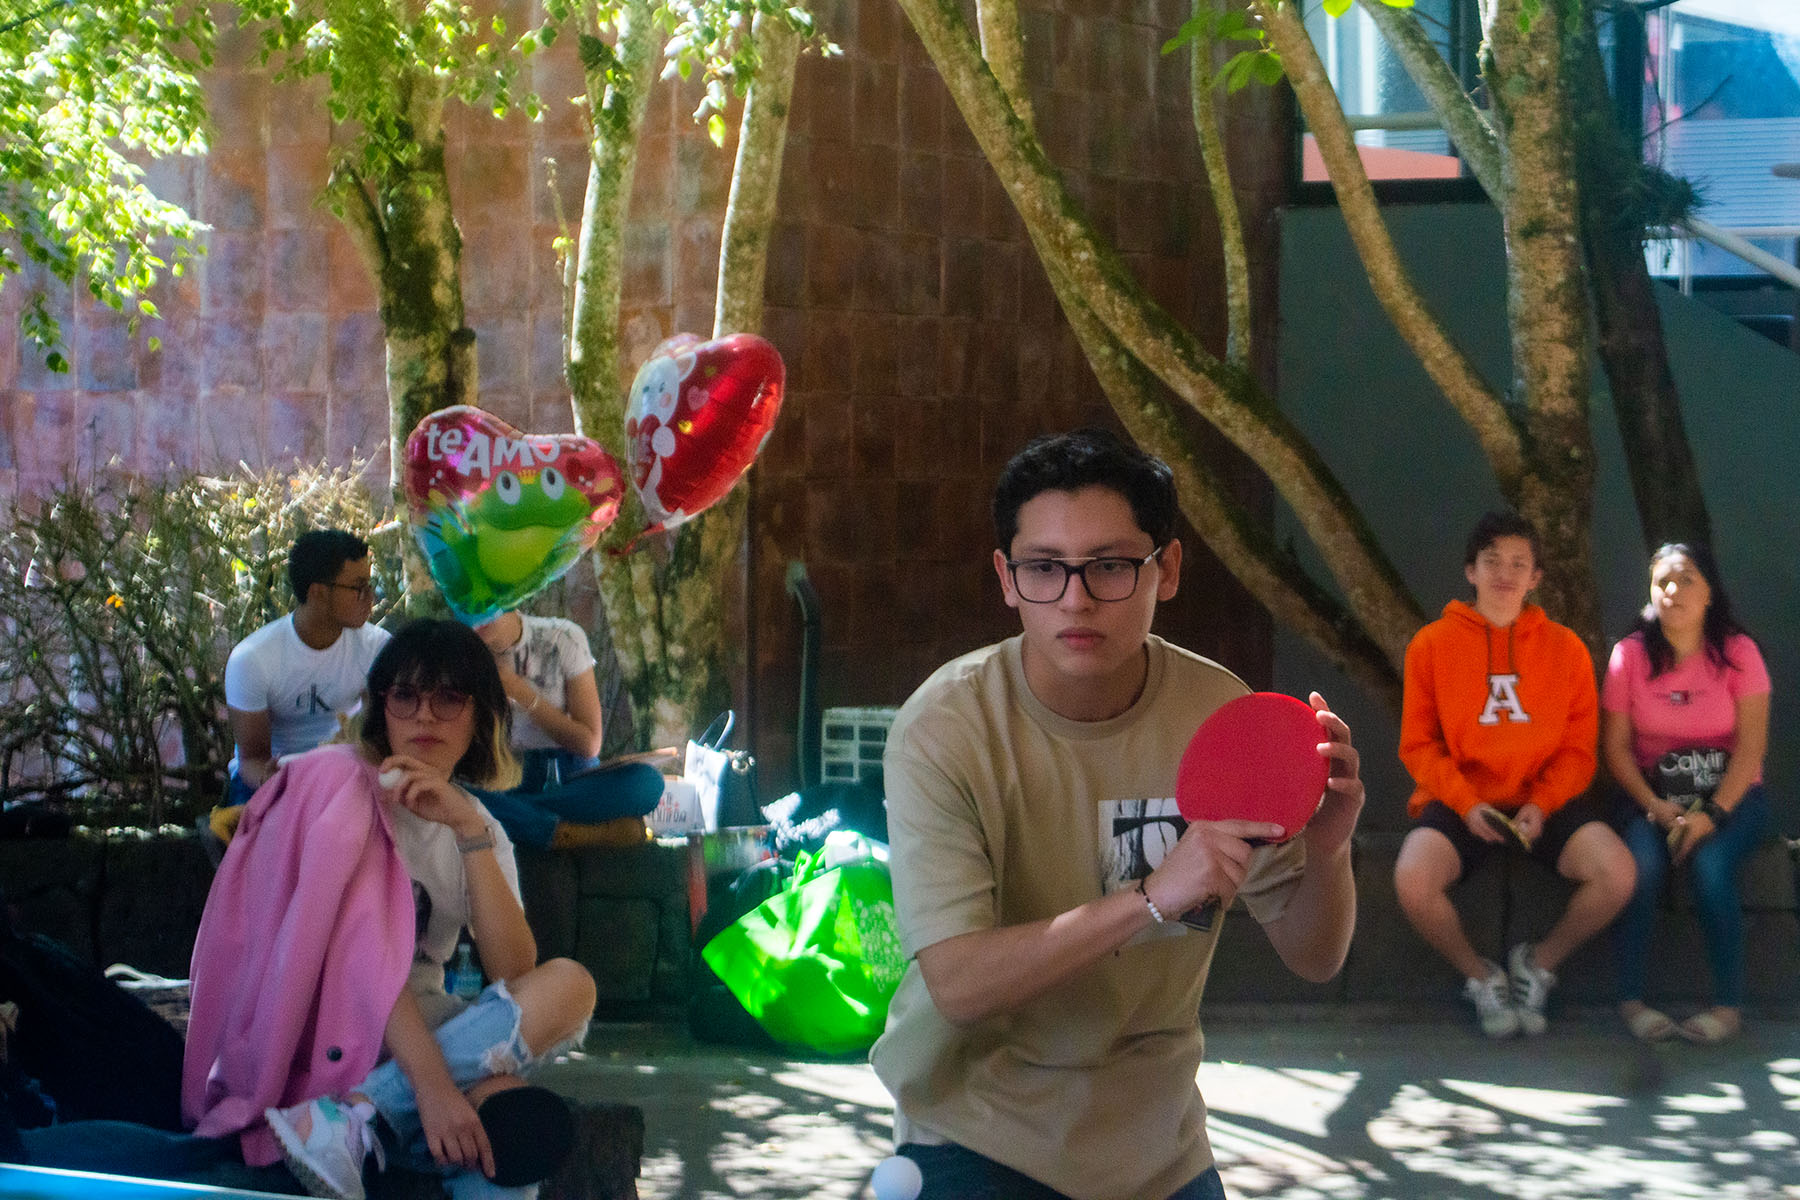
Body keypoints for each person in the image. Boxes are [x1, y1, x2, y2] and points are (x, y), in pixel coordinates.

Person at [869, 429, 1365, 1200]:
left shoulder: (1220, 714)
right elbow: (959, 986)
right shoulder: (944, 728)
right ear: (1006, 577)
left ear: (1164, 569)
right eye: (1044, 567)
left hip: (1159, 1141)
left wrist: (1328, 852)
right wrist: (1150, 898)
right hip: (975, 1126)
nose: (1076, 597)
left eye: (1108, 565)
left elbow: (1315, 957)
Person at [185, 619, 596, 1200]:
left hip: (417, 1028)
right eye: (405, 696)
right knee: (496, 1123)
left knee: (569, 990)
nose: (424, 716)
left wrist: (468, 829)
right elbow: (352, 960)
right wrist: (432, 1088)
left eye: (449, 698)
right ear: (382, 709)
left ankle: (360, 1117)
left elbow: (514, 975)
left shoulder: (478, 822)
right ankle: (375, 1113)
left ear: (482, 714)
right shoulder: (337, 785)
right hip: (324, 1019)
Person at [1393, 511, 1634, 1039]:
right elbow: (1418, 745)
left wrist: (1543, 804)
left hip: (1539, 801)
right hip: (1464, 800)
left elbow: (1578, 751)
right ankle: (1482, 977)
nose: (1505, 573)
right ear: (1471, 571)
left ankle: (1538, 964)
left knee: (1618, 873)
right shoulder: (1431, 646)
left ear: (1536, 579)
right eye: (1492, 561)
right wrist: (1464, 803)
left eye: (1518, 564)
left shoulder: (1566, 649)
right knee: (1413, 879)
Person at [1604, 543, 1772, 1045]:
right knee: (1641, 869)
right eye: (1663, 582)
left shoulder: (1740, 652)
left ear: (1709, 593)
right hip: (1652, 797)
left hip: (1733, 798)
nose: (1673, 591)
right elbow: (1615, 749)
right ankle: (1630, 1000)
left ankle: (1727, 1008)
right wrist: (1654, 807)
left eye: (1687, 580)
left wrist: (1712, 816)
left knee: (1711, 867)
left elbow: (1752, 748)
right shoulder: (1629, 656)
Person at [467, 608, 664, 849]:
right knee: (459, 795)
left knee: (647, 783)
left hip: (570, 778)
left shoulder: (562, 636)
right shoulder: (460, 651)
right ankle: (563, 832)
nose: (474, 620)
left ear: (510, 599)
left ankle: (519, 817)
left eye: (482, 608)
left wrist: (516, 688)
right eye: (464, 609)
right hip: (500, 776)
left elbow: (589, 743)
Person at [223, 529, 391, 807]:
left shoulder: (378, 647)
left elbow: (380, 736)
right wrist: (278, 783)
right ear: (318, 593)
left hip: (345, 771)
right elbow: (251, 761)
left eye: (370, 585)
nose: (370, 597)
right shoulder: (253, 658)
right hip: (274, 778)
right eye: (358, 588)